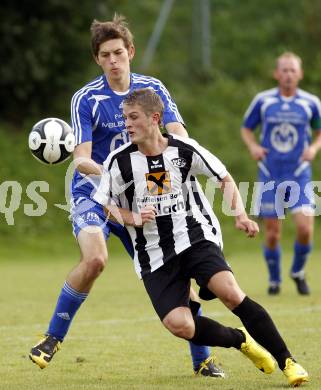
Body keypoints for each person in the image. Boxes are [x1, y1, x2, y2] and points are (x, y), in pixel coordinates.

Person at [29, 14, 223, 377]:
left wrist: (183, 164)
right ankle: (52, 339)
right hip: (94, 194)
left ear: (131, 51)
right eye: (105, 55)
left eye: (118, 52)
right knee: (96, 259)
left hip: (145, 199)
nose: (113, 60)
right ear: (97, 59)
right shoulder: (86, 99)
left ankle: (204, 360)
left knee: (178, 271)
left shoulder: (153, 89)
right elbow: (82, 159)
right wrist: (117, 174)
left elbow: (179, 133)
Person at [93, 88, 309, 387]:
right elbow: (103, 203)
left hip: (193, 235)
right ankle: (240, 340)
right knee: (179, 324)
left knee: (231, 294)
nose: (126, 124)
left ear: (155, 118)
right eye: (124, 118)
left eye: (133, 117)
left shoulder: (184, 149)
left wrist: (241, 216)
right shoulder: (119, 161)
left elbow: (223, 178)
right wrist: (131, 218)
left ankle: (289, 362)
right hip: (153, 252)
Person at [241, 52, 321, 295]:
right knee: (273, 233)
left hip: (299, 173)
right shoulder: (263, 101)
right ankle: (275, 280)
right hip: (270, 173)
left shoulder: (310, 103)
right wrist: (254, 147)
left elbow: (319, 132)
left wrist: (314, 148)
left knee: (305, 229)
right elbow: (247, 128)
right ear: (277, 74)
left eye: (292, 70)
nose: (288, 74)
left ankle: (297, 271)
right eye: (284, 70)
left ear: (300, 74)